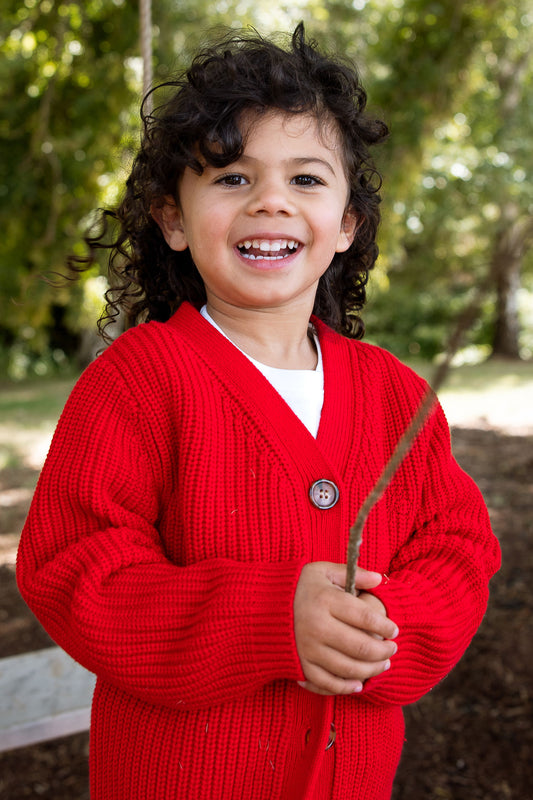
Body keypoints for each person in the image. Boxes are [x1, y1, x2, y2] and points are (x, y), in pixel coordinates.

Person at [17, 23, 500, 800]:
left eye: (306, 180)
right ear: (172, 219)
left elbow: (458, 546)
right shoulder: (139, 382)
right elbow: (77, 566)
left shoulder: (393, 394)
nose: (270, 200)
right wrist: (267, 619)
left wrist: (382, 632)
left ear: (346, 225)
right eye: (232, 178)